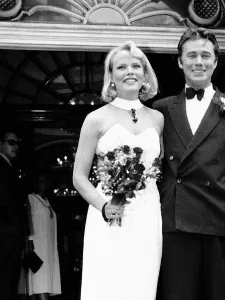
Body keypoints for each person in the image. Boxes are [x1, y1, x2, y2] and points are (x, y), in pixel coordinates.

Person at [153, 28, 225, 300]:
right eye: (191, 55)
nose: (198, 62)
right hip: (176, 219)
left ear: (215, 62)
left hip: (221, 216)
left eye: (205, 55)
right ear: (180, 61)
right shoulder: (160, 108)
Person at [73, 41, 164, 300]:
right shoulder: (95, 119)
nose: (130, 71)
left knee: (142, 284)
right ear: (111, 76)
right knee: (106, 285)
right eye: (121, 67)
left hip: (148, 213)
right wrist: (102, 205)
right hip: (109, 214)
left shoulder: (157, 118)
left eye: (136, 66)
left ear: (145, 74)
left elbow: (160, 168)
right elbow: (79, 176)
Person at [25, 172, 61, 300]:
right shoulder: (31, 198)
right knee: (38, 279)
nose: (43, 184)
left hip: (49, 247)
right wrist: (30, 240)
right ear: (35, 184)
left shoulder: (47, 201)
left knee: (46, 278)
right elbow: (28, 219)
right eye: (40, 181)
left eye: (45, 181)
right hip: (37, 245)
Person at [0, 130, 25, 300]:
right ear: (0, 144)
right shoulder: (2, 167)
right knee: (6, 281)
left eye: (17, 143)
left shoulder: (9, 167)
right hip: (5, 234)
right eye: (11, 142)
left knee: (9, 281)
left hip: (9, 234)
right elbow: (5, 200)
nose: (15, 146)